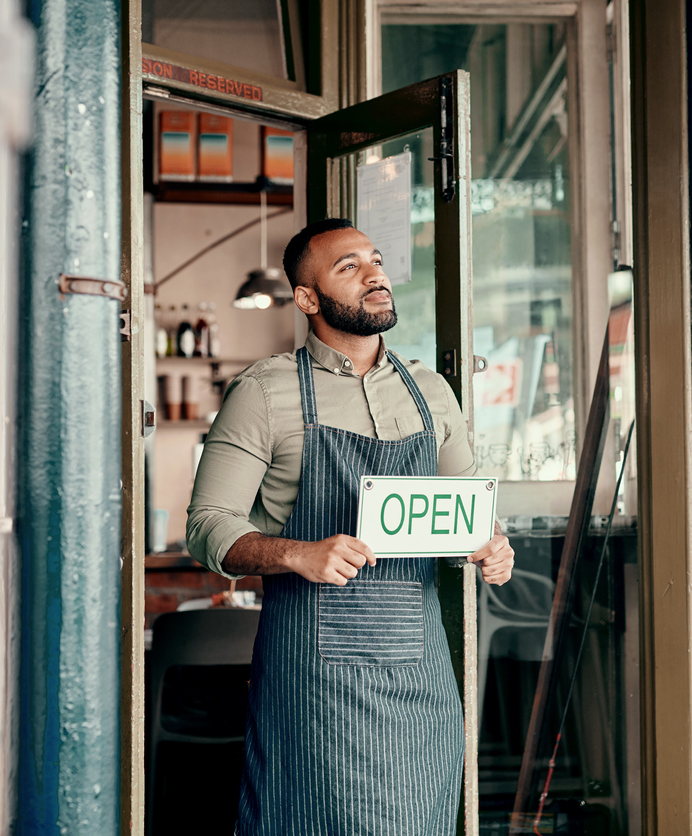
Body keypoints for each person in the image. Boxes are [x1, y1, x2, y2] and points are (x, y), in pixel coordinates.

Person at [186, 218, 515, 835]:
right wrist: (296, 554)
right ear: (307, 299)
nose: (375, 275)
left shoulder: (431, 392)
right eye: (349, 267)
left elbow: (470, 514)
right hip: (313, 685)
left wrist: (494, 548)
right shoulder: (263, 392)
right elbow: (208, 527)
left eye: (376, 260)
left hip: (420, 678)